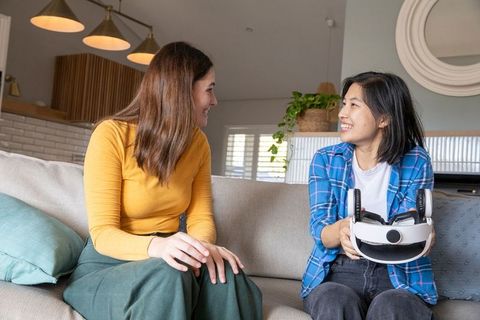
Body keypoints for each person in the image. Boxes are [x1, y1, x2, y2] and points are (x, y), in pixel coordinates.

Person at [63, 41, 262, 320]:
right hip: (108, 267)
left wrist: (200, 249)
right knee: (170, 272)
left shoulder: (198, 144)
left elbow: (201, 218)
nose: (215, 101)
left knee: (225, 273)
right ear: (182, 91)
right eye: (210, 89)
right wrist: (160, 247)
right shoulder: (111, 135)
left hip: (172, 259)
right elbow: (103, 234)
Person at [301, 71, 437, 320]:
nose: (342, 113)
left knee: (393, 306)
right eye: (344, 104)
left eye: (354, 105)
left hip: (398, 273)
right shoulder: (326, 160)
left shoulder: (416, 160)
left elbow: (408, 229)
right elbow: (320, 228)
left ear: (383, 117)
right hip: (341, 270)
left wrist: (421, 234)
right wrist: (341, 230)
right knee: (333, 299)